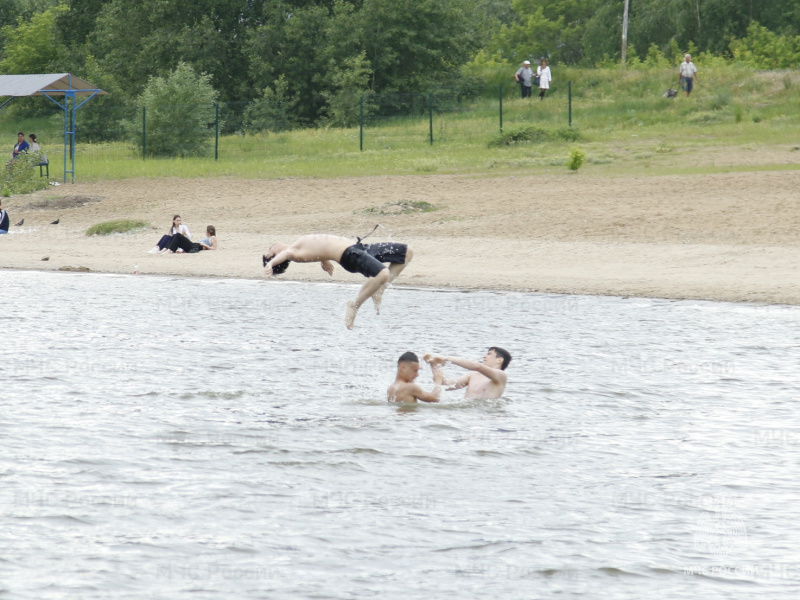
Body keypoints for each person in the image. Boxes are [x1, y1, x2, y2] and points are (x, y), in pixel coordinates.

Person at [262, 233, 414, 329]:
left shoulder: (298, 247)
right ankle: (354, 305)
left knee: (407, 251)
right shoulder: (292, 253)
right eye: (270, 251)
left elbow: (320, 247)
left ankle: (379, 289)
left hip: (359, 248)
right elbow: (286, 254)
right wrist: (271, 263)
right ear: (273, 256)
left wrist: (324, 260)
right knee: (383, 274)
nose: (272, 246)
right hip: (350, 255)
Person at [425, 347, 512, 399]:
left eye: (489, 354)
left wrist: (447, 358)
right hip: (468, 412)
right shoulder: (472, 375)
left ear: (499, 360)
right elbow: (446, 384)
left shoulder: (501, 375)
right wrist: (435, 364)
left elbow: (478, 366)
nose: (484, 356)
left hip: (485, 415)